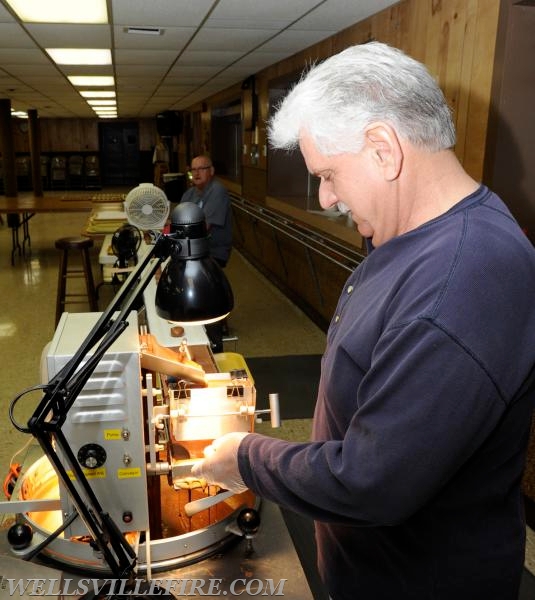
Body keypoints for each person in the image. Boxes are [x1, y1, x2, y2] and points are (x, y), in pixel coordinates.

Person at [192, 42, 535, 600]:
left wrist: (246, 457)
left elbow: (371, 482)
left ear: (383, 149)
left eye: (328, 174)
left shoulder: (463, 281)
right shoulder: (408, 234)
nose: (326, 197)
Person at [181, 155, 232, 268]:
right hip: (191, 248)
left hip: (212, 253)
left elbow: (203, 227)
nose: (196, 173)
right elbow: (179, 220)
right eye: (193, 169)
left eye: (201, 169)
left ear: (211, 171)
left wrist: (177, 231)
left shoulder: (217, 191)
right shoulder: (189, 193)